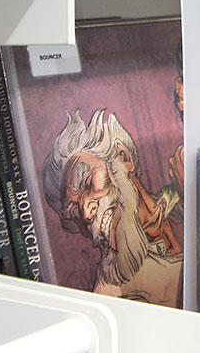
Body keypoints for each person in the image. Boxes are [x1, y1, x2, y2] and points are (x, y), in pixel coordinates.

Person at [42, 106, 182, 305]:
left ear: (123, 158)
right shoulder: (111, 293)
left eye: (88, 183)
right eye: (75, 211)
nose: (86, 213)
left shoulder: (178, 200)